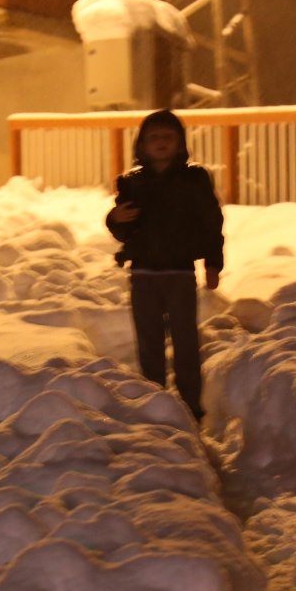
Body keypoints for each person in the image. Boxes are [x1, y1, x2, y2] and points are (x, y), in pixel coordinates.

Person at [105, 108, 224, 419]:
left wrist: (213, 263)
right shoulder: (132, 182)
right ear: (141, 144)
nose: (161, 142)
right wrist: (114, 219)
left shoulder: (194, 179)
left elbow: (211, 222)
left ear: (180, 143)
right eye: (153, 137)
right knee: (149, 342)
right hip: (143, 274)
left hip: (180, 273)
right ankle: (154, 400)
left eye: (168, 137)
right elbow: (124, 229)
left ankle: (190, 404)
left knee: (186, 340)